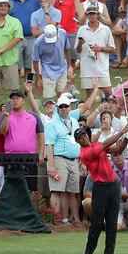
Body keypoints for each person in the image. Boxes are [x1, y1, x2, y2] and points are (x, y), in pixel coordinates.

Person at [74, 120, 128, 254]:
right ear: (78, 142)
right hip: (100, 187)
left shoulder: (96, 146)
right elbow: (106, 143)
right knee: (97, 223)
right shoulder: (85, 153)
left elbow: (117, 149)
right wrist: (123, 131)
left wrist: (127, 138)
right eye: (80, 138)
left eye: (84, 136)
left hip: (114, 185)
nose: (84, 138)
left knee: (111, 223)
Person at [45, 96, 82, 225]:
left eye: (66, 106)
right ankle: (56, 220)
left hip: (74, 160)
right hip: (58, 159)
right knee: (57, 190)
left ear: (70, 107)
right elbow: (49, 145)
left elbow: (78, 141)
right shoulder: (52, 124)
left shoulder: (74, 121)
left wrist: (80, 159)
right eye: (61, 107)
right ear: (58, 108)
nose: (64, 109)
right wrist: (50, 165)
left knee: (72, 191)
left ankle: (72, 219)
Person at [0, 88, 45, 191]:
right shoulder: (5, 116)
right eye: (12, 99)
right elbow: (3, 131)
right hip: (10, 157)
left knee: (31, 189)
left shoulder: (34, 116)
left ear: (23, 100)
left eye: (17, 98)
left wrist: (41, 153)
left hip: (29, 157)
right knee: (11, 190)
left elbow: (41, 134)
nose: (15, 100)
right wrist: (6, 115)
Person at [76, 5, 114, 95]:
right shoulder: (81, 30)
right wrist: (80, 44)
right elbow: (78, 50)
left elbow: (112, 48)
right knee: (89, 94)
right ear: (87, 15)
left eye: (94, 13)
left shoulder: (106, 29)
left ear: (98, 14)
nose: (92, 16)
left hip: (102, 66)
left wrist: (100, 49)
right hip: (87, 67)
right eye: (90, 14)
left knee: (109, 93)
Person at [9, 0, 41, 80]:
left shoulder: (34, 0)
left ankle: (28, 86)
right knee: (17, 65)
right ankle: (18, 88)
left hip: (31, 37)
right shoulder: (9, 2)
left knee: (30, 66)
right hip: (15, 38)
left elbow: (39, 16)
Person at [33, 24, 71, 99]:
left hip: (62, 67)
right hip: (47, 70)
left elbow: (67, 48)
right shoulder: (38, 42)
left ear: (57, 32)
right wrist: (38, 78)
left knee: (63, 94)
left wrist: (69, 66)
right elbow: (35, 61)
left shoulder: (63, 33)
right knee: (48, 97)